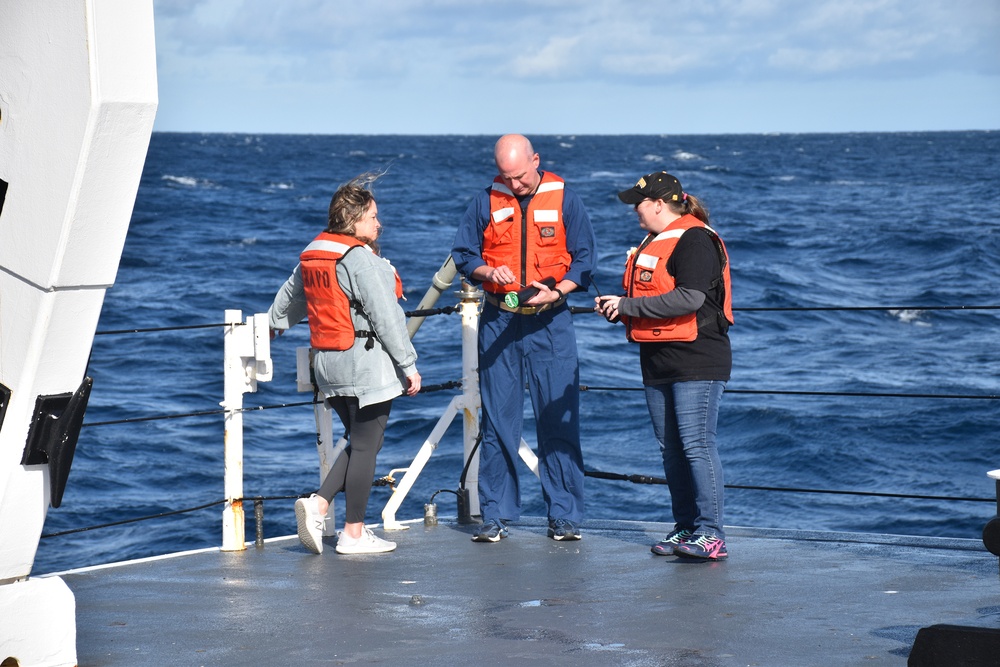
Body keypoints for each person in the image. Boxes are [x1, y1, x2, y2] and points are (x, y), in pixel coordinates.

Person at [451, 134, 596, 543]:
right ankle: (496, 515)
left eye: (520, 176)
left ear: (536, 160)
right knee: (498, 423)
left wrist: (559, 290)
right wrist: (485, 273)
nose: (514, 185)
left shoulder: (566, 199)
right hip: (500, 320)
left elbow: (585, 259)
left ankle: (564, 516)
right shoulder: (484, 201)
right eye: (506, 177)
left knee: (558, 420)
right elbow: (464, 254)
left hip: (551, 323)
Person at [268, 173, 421, 555]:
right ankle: (352, 533)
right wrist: (409, 364)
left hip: (327, 365)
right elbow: (386, 316)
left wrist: (273, 326)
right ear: (354, 221)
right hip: (363, 365)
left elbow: (288, 299)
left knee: (361, 442)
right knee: (368, 447)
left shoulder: (315, 250)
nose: (378, 224)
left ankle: (319, 505)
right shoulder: (357, 258)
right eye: (372, 217)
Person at [596, 171, 733, 561]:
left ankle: (712, 533)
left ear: (659, 204)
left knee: (696, 446)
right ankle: (686, 526)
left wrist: (628, 306)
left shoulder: (694, 239)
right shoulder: (655, 241)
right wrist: (619, 309)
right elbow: (655, 299)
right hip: (658, 358)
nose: (633, 211)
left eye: (638, 204)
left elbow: (689, 298)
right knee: (671, 449)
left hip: (697, 360)